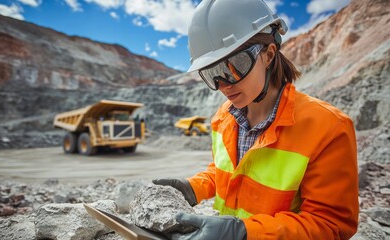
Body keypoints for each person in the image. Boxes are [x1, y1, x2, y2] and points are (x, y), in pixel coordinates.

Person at [153, 0, 359, 239]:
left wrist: (242, 232)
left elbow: (331, 224)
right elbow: (228, 172)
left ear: (269, 54)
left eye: (234, 66)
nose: (223, 85)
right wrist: (193, 187)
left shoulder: (328, 127)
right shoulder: (223, 118)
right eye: (211, 73)